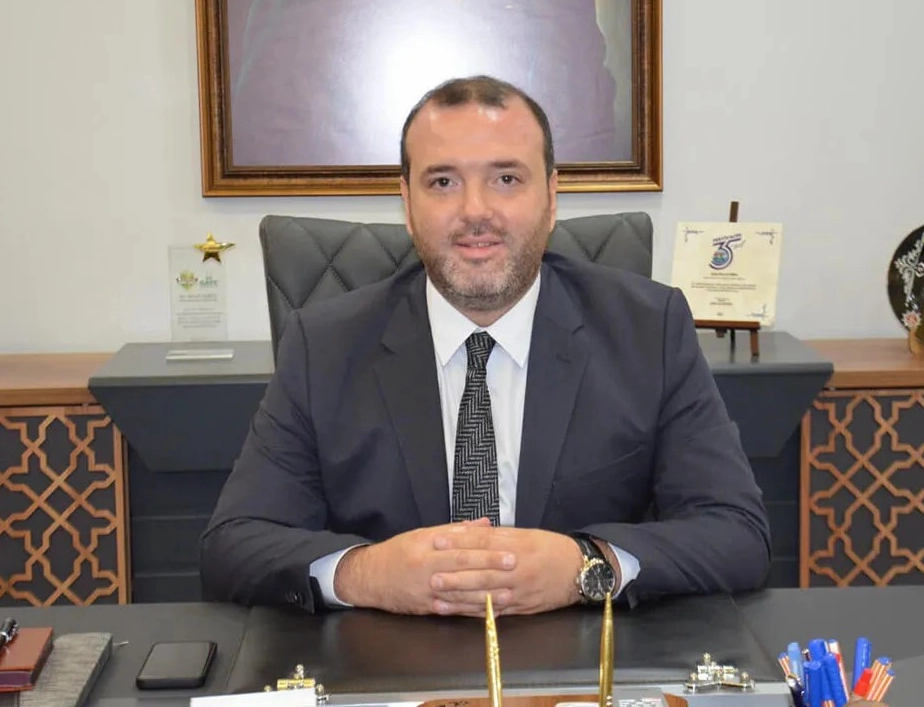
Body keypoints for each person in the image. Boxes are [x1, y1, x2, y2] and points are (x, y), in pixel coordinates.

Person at [200, 75, 771, 617]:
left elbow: (737, 533)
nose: (475, 211)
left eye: (506, 179)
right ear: (407, 203)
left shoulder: (648, 330)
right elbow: (233, 545)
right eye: (443, 182)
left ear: (552, 197)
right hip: (388, 660)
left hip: (584, 661)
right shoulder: (323, 346)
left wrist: (587, 565)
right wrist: (365, 574)